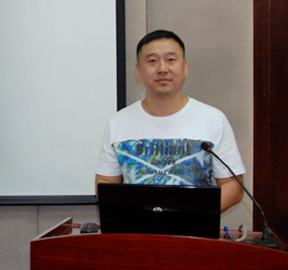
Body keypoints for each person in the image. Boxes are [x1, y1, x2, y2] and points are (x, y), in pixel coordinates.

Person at [95, 30, 245, 212]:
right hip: (137, 227)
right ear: (138, 71)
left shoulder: (213, 120)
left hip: (194, 227)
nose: (162, 69)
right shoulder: (119, 122)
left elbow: (233, 185)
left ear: (185, 67)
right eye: (152, 61)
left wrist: (192, 214)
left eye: (171, 60)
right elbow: (105, 181)